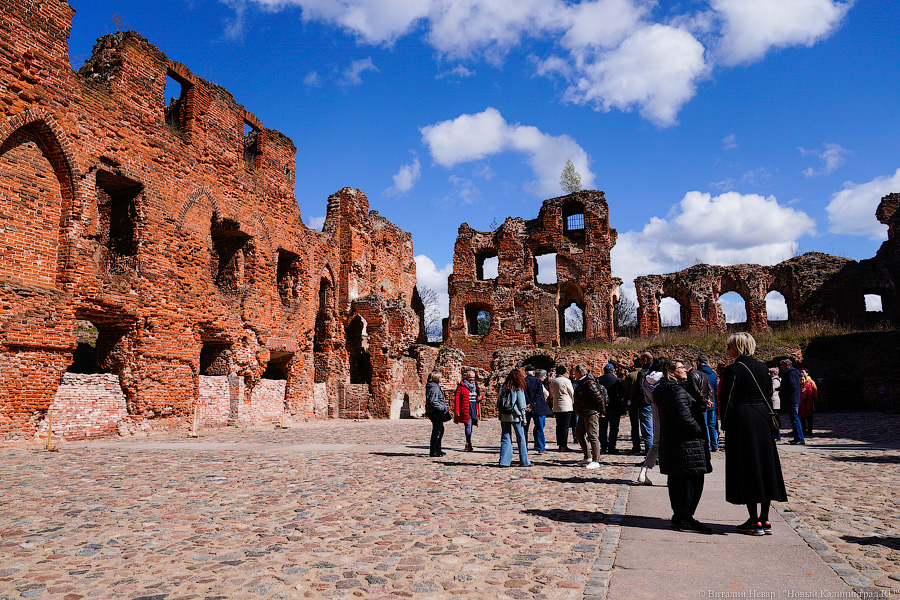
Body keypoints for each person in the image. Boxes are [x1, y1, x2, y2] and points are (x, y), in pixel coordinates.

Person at [720, 332, 788, 536]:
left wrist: (725, 423)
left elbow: (727, 400)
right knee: (764, 465)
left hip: (742, 419)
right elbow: (768, 394)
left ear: (738, 347)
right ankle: (765, 519)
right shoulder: (763, 368)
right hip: (762, 419)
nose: (728, 349)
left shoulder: (733, 369)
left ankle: (753, 520)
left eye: (729, 346)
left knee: (747, 466)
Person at [654, 358, 712, 533]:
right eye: (681, 368)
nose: (686, 370)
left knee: (678, 482)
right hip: (686, 444)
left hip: (675, 443)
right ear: (671, 372)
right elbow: (685, 419)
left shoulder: (669, 390)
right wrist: (700, 431)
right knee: (690, 483)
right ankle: (686, 518)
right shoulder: (676, 391)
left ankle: (679, 516)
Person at [571, 364, 607, 469]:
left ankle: (596, 460)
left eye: (575, 372)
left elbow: (599, 397)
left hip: (591, 412)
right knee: (578, 434)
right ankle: (588, 457)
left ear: (579, 373)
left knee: (593, 436)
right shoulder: (581, 383)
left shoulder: (589, 383)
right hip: (583, 412)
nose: (574, 375)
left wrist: (602, 411)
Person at [637, 357, 665, 485]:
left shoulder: (647, 379)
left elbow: (647, 400)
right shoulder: (665, 379)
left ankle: (644, 470)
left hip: (655, 414)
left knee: (656, 446)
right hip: (667, 415)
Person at [498, 368, 532, 467]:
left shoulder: (504, 387)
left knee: (505, 438)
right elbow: (522, 405)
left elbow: (499, 402)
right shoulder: (518, 387)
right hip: (516, 415)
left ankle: (504, 462)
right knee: (521, 438)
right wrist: (524, 419)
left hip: (505, 414)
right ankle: (524, 461)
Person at [523, 366, 554, 454]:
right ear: (533, 373)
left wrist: (528, 404)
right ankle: (541, 448)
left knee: (525, 428)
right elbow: (539, 395)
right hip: (537, 407)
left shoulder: (523, 381)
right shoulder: (537, 381)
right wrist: (532, 404)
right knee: (539, 428)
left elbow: (523, 394)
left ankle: (524, 448)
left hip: (526, 407)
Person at [597, 364, 625, 453]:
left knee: (602, 428)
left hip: (602, 407)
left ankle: (603, 446)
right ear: (612, 371)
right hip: (614, 407)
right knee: (613, 428)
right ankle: (612, 447)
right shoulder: (617, 381)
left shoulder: (598, 380)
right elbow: (621, 393)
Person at [694, 356, 719, 452]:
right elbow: (716, 389)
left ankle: (707, 445)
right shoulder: (712, 374)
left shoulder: (698, 374)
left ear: (699, 363)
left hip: (702, 403)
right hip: (712, 402)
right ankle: (715, 444)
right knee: (712, 424)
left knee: (704, 425)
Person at [621, 358, 645, 455]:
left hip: (633, 403)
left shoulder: (631, 375)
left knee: (634, 427)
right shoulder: (646, 373)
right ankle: (648, 448)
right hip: (645, 403)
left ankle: (636, 447)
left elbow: (624, 387)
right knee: (646, 426)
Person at [550, 365, 576, 452]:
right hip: (566, 405)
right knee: (565, 426)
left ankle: (560, 443)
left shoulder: (553, 381)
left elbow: (552, 392)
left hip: (557, 405)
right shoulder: (566, 380)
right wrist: (574, 401)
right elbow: (571, 392)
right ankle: (563, 445)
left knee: (559, 425)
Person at [779, 359, 804, 445]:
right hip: (792, 399)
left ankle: (800, 438)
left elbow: (792, 386)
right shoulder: (791, 373)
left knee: (795, 419)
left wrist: (784, 390)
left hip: (792, 399)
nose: (781, 367)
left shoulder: (791, 373)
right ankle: (797, 437)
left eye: (782, 365)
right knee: (794, 419)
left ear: (787, 365)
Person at [454, 370, 481, 451]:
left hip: (473, 407)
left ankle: (468, 441)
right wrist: (457, 411)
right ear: (466, 377)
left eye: (473, 377)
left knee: (471, 424)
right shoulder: (461, 386)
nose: (472, 379)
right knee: (468, 425)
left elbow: (478, 397)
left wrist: (479, 399)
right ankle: (468, 442)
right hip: (465, 407)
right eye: (470, 378)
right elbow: (457, 400)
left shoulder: (476, 386)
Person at [424, 373, 449, 457]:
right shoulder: (434, 388)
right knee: (437, 431)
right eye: (441, 378)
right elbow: (433, 401)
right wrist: (442, 408)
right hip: (435, 412)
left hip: (435, 411)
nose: (441, 379)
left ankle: (438, 449)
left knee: (440, 430)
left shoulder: (434, 387)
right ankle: (434, 451)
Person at [799, 368, 817, 438]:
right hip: (802, 404)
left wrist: (814, 398)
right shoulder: (800, 385)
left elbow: (813, 392)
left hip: (808, 404)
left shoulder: (809, 383)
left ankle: (809, 430)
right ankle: (803, 430)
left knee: (809, 418)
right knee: (803, 419)